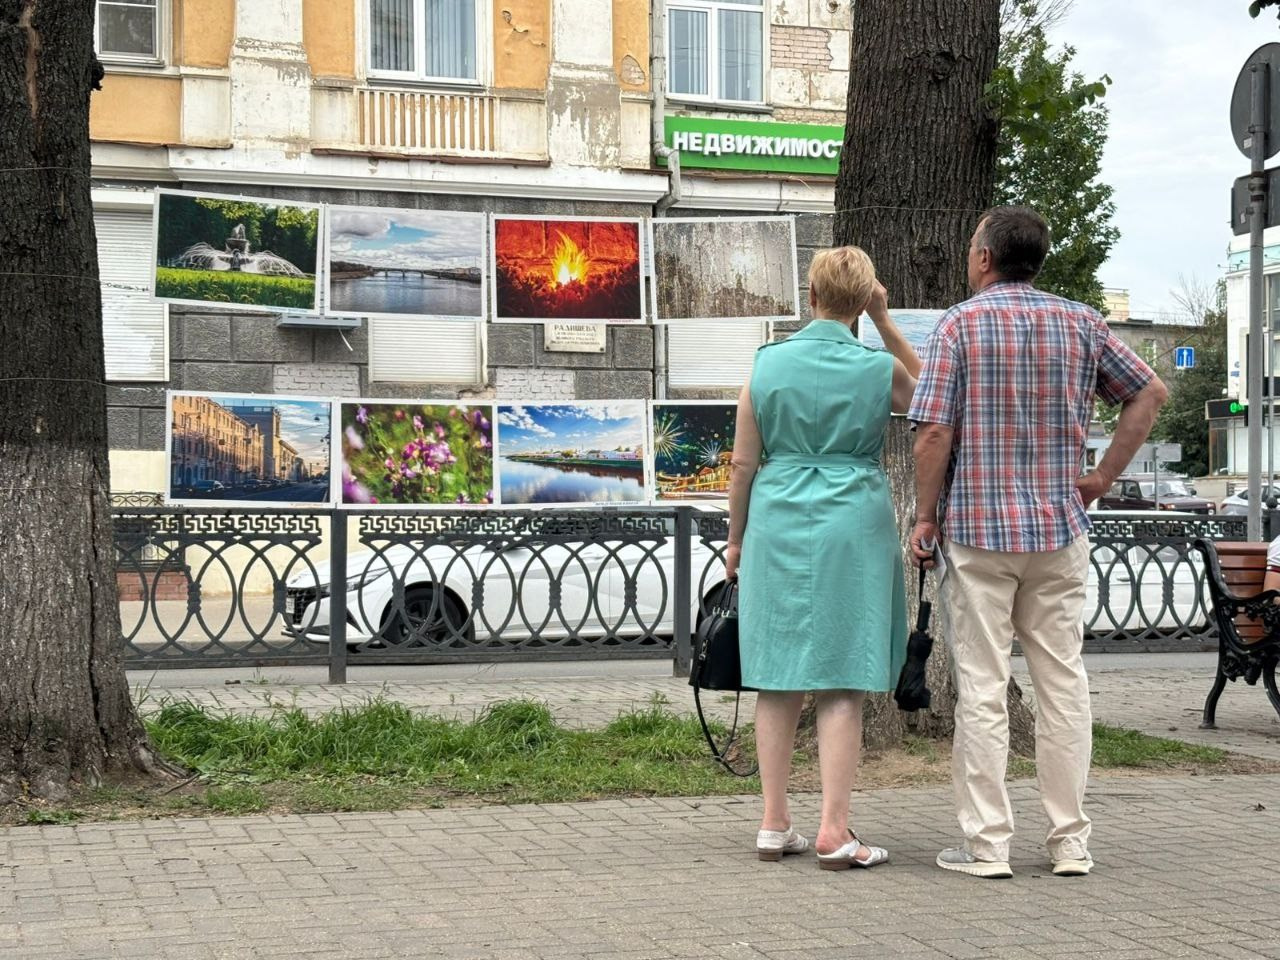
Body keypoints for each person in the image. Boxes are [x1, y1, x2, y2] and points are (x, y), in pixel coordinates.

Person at [908, 206, 1168, 879]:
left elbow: (934, 431)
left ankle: (988, 845)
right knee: (1063, 683)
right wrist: (1102, 477)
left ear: (986, 257)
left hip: (977, 534)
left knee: (984, 687)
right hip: (1058, 530)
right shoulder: (1082, 322)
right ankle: (1069, 843)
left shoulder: (959, 325)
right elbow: (1150, 392)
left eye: (972, 245)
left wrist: (924, 517)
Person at [725, 245, 921, 870]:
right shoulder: (874, 366)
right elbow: (931, 399)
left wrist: (735, 538)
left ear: (809, 295)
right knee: (842, 675)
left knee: (777, 671)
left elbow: (742, 465)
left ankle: (773, 822)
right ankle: (835, 829)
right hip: (851, 520)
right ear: (863, 300)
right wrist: (887, 324)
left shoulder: (765, 364)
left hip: (778, 518)